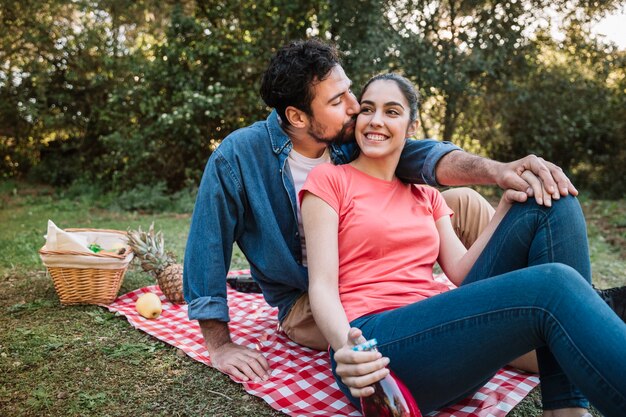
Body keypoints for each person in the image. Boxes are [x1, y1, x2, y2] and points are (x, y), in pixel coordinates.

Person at [183, 38, 582, 384]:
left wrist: (497, 172)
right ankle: (548, 327)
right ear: (298, 117)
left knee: (464, 203)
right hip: (310, 296)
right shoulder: (238, 158)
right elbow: (207, 246)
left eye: (350, 92)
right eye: (339, 101)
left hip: (369, 255)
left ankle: (565, 300)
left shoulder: (346, 137)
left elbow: (421, 156)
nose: (356, 108)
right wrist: (219, 345)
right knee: (459, 331)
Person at [300, 73, 626, 417]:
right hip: (374, 351)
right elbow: (321, 286)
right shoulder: (330, 179)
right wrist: (343, 349)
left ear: (411, 127)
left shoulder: (426, 195)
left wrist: (504, 208)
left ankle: (565, 409)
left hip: (446, 348)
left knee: (554, 200)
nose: (376, 121)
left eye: (392, 111)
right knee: (553, 285)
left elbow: (461, 272)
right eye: (367, 109)